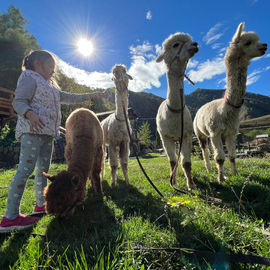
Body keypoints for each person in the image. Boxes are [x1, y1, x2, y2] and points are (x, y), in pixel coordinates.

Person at [0, 50, 105, 233]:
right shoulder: (29, 78)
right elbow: (19, 102)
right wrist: (29, 113)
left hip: (48, 135)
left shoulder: (51, 87)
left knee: (43, 171)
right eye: (51, 67)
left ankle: (40, 205)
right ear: (38, 64)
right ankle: (10, 217)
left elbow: (70, 97)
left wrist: (90, 95)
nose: (52, 71)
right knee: (25, 170)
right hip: (32, 133)